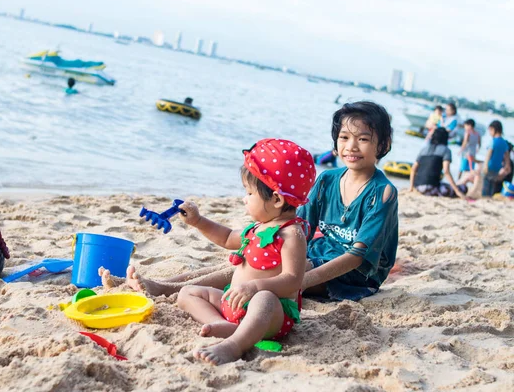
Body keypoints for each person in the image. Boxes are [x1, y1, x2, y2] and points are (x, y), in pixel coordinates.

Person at [123, 101, 398, 304]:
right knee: (250, 260)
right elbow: (296, 226)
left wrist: (298, 281)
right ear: (335, 144)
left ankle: (164, 290)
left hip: (354, 275)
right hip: (317, 253)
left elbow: (356, 257)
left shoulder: (382, 192)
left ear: (382, 145)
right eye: (344, 138)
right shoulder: (327, 180)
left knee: (263, 270)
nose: (351, 146)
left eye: (363, 139)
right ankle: (165, 283)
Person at [175, 138, 315, 365]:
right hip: (236, 303)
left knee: (265, 299)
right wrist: (198, 221)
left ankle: (234, 345)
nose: (244, 199)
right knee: (187, 293)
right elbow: (227, 237)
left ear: (277, 199)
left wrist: (255, 286)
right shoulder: (258, 227)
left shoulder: (291, 235)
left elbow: (293, 280)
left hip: (270, 315)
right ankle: (222, 326)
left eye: (249, 193)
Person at [409, 128, 466, 199]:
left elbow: (413, 169)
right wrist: (457, 191)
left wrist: (411, 188)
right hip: (432, 188)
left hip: (417, 187)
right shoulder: (446, 150)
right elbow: (446, 171)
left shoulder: (424, 149)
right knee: (463, 188)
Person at [482, 120, 511, 197]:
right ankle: (490, 198)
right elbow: (507, 156)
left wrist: (485, 165)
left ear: (493, 129)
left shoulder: (493, 141)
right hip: (497, 169)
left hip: (490, 167)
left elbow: (489, 154)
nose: (489, 133)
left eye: (490, 131)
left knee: (486, 186)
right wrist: (506, 166)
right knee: (493, 187)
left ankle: (485, 198)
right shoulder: (504, 142)